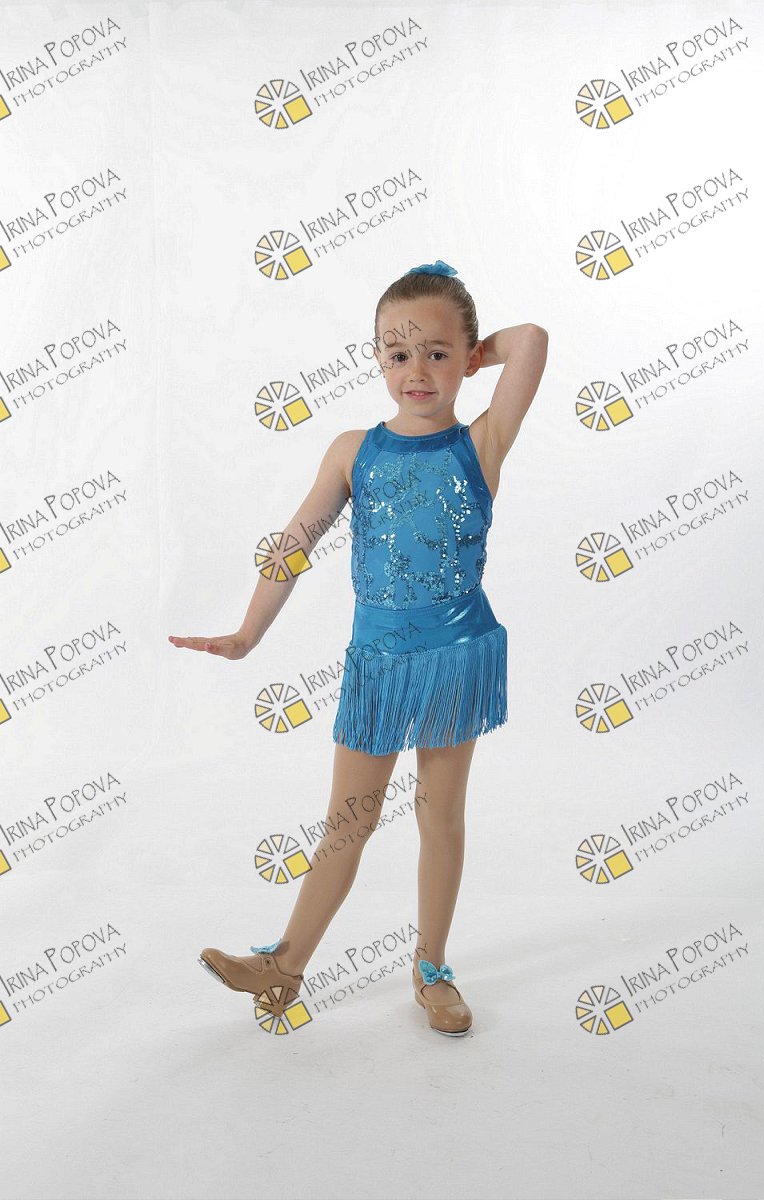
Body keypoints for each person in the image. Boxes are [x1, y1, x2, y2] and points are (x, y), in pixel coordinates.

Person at [168, 260, 548, 1036]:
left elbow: (534, 340)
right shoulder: (353, 450)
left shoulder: (481, 444)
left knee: (439, 817)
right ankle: (284, 964)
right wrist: (248, 631)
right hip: (376, 665)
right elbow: (294, 543)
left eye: (437, 353)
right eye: (397, 353)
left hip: (455, 655)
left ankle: (432, 969)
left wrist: (476, 349)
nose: (418, 371)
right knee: (347, 821)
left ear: (470, 357)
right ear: (375, 358)